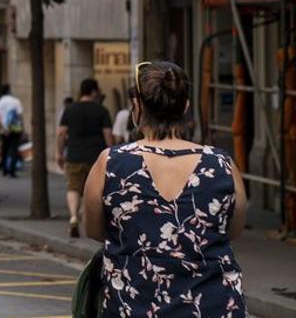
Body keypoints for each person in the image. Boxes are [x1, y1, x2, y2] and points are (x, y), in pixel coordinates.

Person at [85, 61, 248, 316]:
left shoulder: (111, 162)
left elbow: (94, 230)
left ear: (137, 107)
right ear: (185, 107)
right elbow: (232, 230)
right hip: (212, 305)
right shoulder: (221, 163)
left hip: (133, 304)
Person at [58, 78, 112, 238]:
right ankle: (88, 219)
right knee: (95, 191)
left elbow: (61, 133)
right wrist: (112, 153)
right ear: (94, 91)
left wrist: (59, 153)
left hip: (74, 155)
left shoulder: (69, 109)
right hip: (96, 157)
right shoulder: (102, 110)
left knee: (73, 187)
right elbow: (108, 134)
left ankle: (74, 216)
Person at [0, 84, 24, 178]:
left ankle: (5, 169)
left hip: (4, 130)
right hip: (15, 128)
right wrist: (22, 128)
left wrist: (4, 127)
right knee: (14, 149)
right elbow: (20, 115)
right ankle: (12, 170)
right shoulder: (16, 101)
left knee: (5, 149)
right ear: (9, 90)